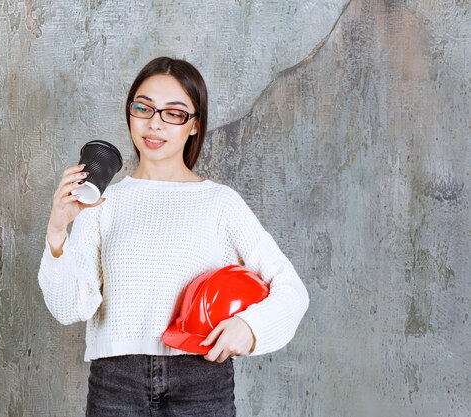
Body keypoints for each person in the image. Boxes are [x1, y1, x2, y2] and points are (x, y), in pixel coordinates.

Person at [38, 57, 309, 417]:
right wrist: (58, 232)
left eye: (174, 113)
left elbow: (291, 290)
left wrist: (251, 327)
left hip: (201, 380)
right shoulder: (102, 202)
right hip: (117, 382)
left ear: (194, 125)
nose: (155, 124)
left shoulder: (221, 203)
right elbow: (69, 308)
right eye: (144, 108)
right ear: (130, 111)